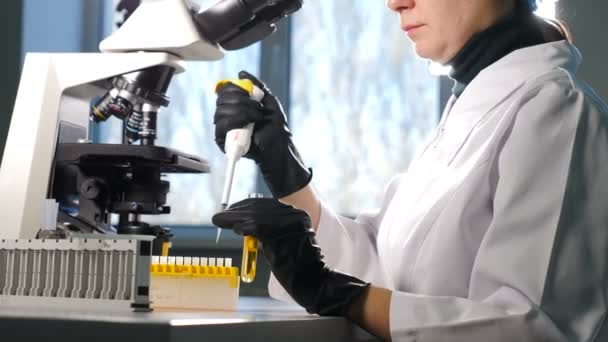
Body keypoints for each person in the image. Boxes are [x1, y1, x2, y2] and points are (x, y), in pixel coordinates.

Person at [211, 0, 608, 340]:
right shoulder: (472, 106)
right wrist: (286, 172)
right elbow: (385, 270)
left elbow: (530, 328)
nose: (394, 2)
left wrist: (337, 293)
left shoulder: (557, 110)